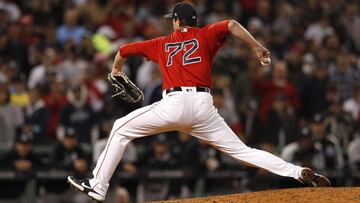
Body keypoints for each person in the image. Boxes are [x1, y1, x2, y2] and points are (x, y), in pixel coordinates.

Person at [68, 2, 330, 201]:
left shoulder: (162, 42)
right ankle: (297, 172)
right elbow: (232, 24)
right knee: (243, 151)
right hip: (204, 107)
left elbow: (123, 51)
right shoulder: (205, 35)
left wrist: (116, 71)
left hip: (174, 103)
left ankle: (98, 186)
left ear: (176, 21)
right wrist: (256, 47)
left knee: (120, 128)